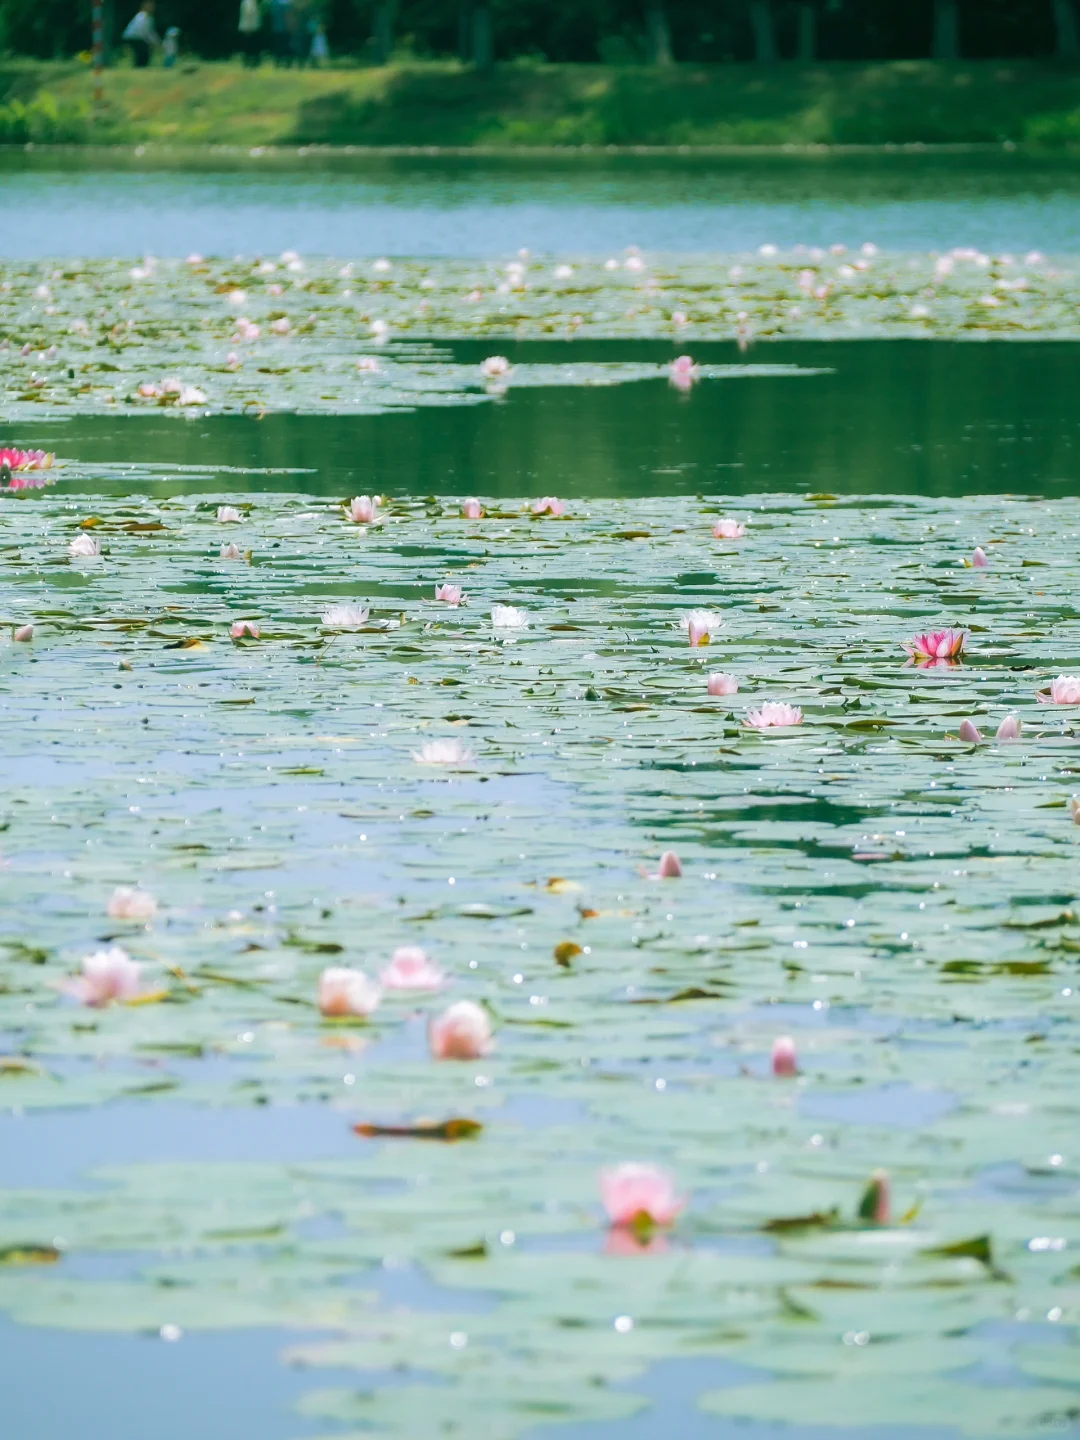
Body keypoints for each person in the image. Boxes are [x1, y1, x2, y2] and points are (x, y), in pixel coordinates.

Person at [122, 1, 161, 67]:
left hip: (136, 38)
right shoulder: (143, 16)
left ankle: (140, 66)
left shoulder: (146, 17)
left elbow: (150, 33)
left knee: (142, 52)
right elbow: (147, 33)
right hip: (134, 37)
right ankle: (140, 67)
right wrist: (157, 43)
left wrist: (156, 42)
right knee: (143, 52)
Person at [238, 0, 262, 67]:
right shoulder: (249, 2)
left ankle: (249, 62)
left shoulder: (249, 1)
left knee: (249, 47)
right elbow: (248, 14)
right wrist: (249, 28)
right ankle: (249, 62)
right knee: (249, 47)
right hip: (250, 28)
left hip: (249, 27)